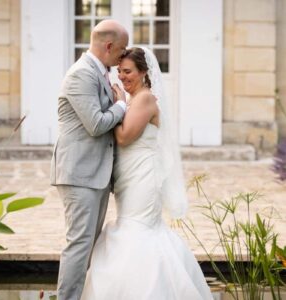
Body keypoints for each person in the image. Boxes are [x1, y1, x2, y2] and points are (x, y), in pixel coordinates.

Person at [81, 47, 213, 299]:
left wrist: (116, 106)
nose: (122, 76)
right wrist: (120, 105)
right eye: (119, 71)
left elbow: (123, 137)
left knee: (138, 230)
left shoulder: (144, 99)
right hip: (128, 177)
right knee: (131, 227)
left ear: (143, 72)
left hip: (143, 177)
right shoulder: (132, 100)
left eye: (128, 71)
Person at [50, 19, 128, 300]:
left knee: (90, 244)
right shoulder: (81, 74)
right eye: (121, 49)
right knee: (79, 244)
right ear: (108, 46)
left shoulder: (101, 72)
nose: (123, 56)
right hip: (79, 173)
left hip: (95, 173)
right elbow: (95, 124)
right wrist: (122, 105)